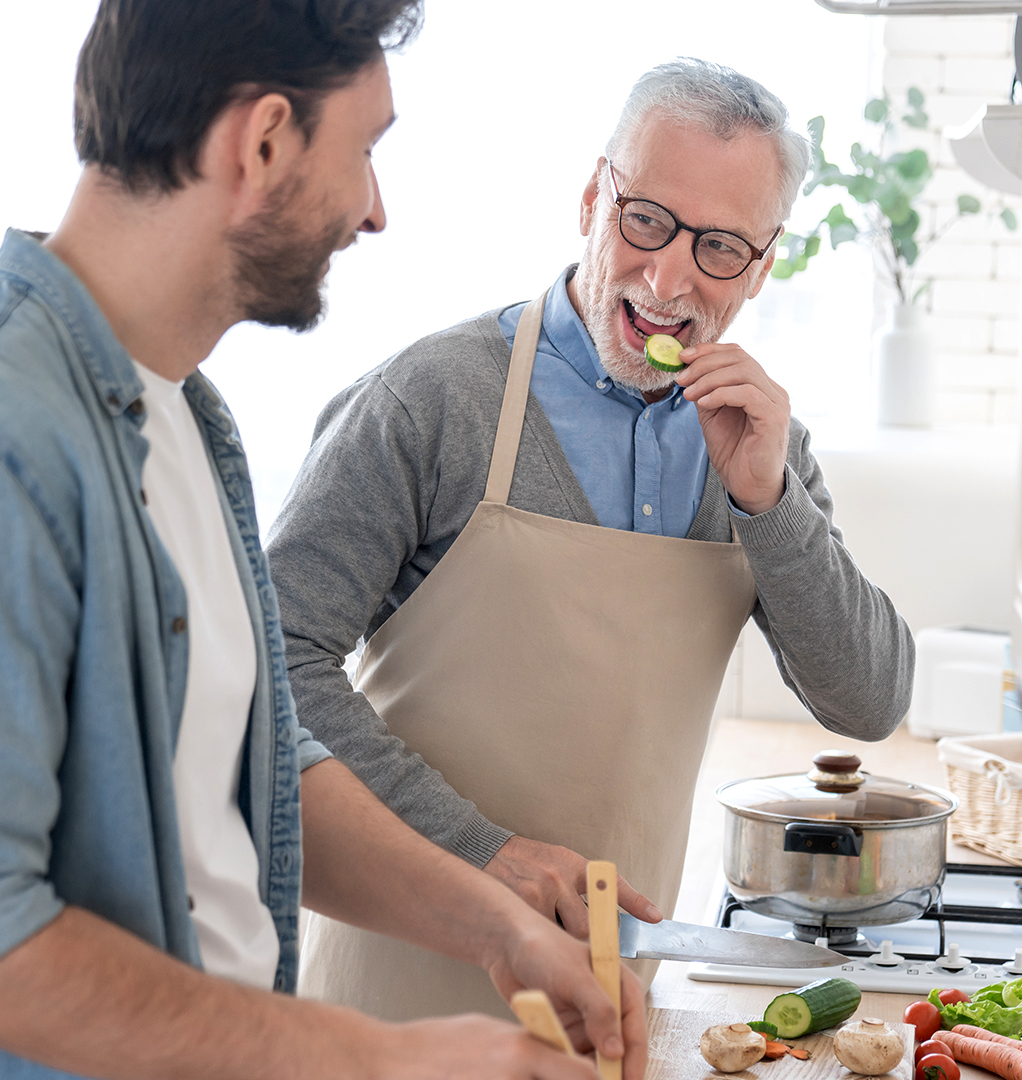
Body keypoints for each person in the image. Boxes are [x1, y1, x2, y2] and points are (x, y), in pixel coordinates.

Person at [0, 3, 641, 1078]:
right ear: (261, 140)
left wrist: (495, 922)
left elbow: (253, 769)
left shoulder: (185, 415)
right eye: (364, 151)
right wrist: (380, 1059)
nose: (375, 212)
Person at [267, 59, 914, 1021]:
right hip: (396, 994)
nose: (669, 277)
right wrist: (482, 852)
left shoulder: (757, 444)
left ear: (765, 263)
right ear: (590, 197)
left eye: (721, 248)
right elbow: (272, 662)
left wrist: (770, 503)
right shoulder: (429, 399)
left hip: (605, 997)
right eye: (645, 219)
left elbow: (869, 700)